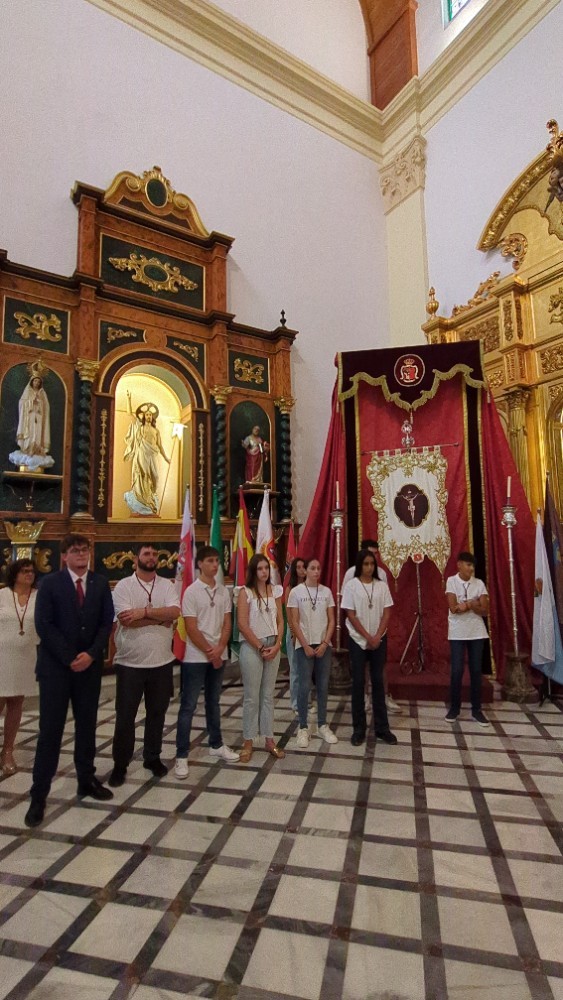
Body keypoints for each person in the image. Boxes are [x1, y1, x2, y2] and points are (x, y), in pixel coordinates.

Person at [25, 534, 114, 828]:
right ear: (64, 556)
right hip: (56, 670)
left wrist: (91, 654)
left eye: (85, 549)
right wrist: (69, 657)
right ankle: (39, 795)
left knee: (87, 726)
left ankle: (86, 779)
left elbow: (106, 623)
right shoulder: (49, 583)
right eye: (75, 550)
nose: (81, 554)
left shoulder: (100, 583)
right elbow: (44, 624)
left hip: (88, 668)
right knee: (50, 731)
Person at [109, 543, 180, 786]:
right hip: (130, 663)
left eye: (154, 554)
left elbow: (175, 612)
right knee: (125, 716)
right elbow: (126, 620)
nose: (151, 557)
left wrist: (142, 613)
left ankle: (152, 757)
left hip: (162, 661)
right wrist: (158, 618)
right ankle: (120, 764)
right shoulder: (123, 586)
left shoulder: (167, 585)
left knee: (157, 713)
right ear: (136, 559)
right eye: (146, 554)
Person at [174, 546, 239, 778]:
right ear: (200, 564)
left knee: (214, 701)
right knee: (188, 705)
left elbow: (227, 623)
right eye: (210, 561)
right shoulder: (191, 592)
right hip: (195, 657)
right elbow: (191, 627)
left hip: (218, 654)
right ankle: (181, 755)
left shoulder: (223, 591)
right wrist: (211, 652)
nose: (215, 565)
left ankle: (216, 744)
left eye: (217, 561)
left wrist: (220, 649)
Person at [341, 549, 397, 747]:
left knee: (378, 682)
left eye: (372, 564)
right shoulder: (352, 586)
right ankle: (359, 729)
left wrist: (377, 636)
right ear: (360, 565)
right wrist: (367, 637)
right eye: (365, 564)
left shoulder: (381, 586)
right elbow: (350, 614)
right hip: (358, 640)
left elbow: (387, 612)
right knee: (358, 683)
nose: (369, 567)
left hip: (378, 639)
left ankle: (382, 728)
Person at [237, 554, 285, 761]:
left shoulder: (275, 591)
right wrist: (260, 646)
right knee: (251, 696)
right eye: (260, 568)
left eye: (266, 568)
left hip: (273, 645)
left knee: (267, 695)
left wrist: (278, 644)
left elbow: (280, 621)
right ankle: (248, 741)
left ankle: (269, 739)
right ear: (253, 571)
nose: (264, 572)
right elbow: (242, 624)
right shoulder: (245, 592)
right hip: (252, 646)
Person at [287, 558, 337, 749]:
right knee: (304, 686)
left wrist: (325, 643)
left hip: (324, 644)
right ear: (305, 571)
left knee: (323, 685)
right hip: (304, 645)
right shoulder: (296, 592)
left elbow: (331, 620)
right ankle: (303, 727)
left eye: (318, 568)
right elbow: (294, 621)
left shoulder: (326, 592)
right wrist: (305, 644)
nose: (316, 571)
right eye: (312, 568)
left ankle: (322, 725)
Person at [0, 559, 39, 774]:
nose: (29, 574)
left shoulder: (38, 597)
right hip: (1, 656)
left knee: (16, 703)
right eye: (24, 571)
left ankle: (7, 751)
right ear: (14, 574)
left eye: (31, 571)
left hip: (25, 657)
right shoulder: (2, 595)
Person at [445, 552, 490, 726]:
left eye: (472, 566)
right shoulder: (451, 581)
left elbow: (484, 610)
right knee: (457, 671)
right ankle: (454, 708)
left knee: (476, 671)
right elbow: (453, 608)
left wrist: (469, 605)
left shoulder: (479, 583)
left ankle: (476, 710)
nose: (471, 568)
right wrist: (473, 604)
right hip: (457, 632)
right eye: (468, 565)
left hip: (477, 632)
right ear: (459, 565)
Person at [124, 397, 170, 515]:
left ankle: (151, 497)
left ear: (152, 417)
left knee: (155, 476)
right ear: (144, 416)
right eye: (147, 414)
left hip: (152, 454)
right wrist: (129, 400)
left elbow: (160, 445)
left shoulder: (156, 431)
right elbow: (130, 414)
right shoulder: (140, 427)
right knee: (143, 475)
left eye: (150, 415)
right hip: (142, 452)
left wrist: (166, 458)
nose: (148, 416)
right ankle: (143, 499)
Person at [9, 375, 54, 471]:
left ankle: (36, 450)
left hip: (38, 417)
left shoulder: (42, 393)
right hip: (28, 418)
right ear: (32, 382)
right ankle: (27, 449)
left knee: (37, 434)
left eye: (38, 382)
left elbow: (46, 407)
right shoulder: (27, 392)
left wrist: (39, 403)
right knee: (29, 434)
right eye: (35, 381)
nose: (36, 383)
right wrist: (30, 402)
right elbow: (21, 404)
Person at [284, 556, 307, 714]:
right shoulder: (290, 589)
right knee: (295, 669)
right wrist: (293, 634)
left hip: (306, 632)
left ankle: (305, 701)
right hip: (294, 631)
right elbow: (289, 614)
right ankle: (295, 704)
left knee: (306, 669)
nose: (301, 570)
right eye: (298, 567)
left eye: (303, 567)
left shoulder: (309, 587)